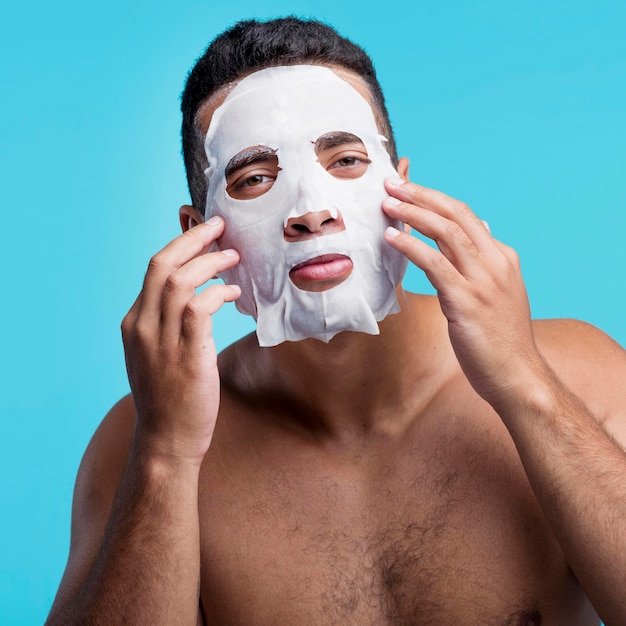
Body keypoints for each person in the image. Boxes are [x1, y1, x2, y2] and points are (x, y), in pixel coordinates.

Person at [47, 17, 626, 625]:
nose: (310, 211)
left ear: (399, 186)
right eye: (254, 178)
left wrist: (528, 385)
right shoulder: (142, 439)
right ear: (198, 234)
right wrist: (164, 454)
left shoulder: (578, 377)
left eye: (346, 159)